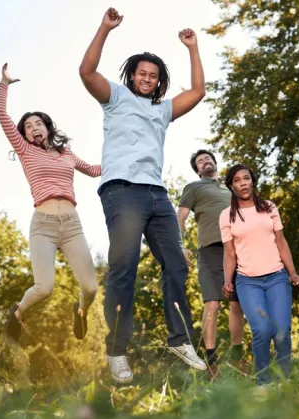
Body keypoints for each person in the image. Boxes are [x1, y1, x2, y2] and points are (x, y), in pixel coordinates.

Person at [79, 7, 207, 383]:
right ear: (132, 75)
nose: (148, 79)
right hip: (122, 191)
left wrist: (193, 48)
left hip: (157, 196)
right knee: (124, 268)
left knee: (177, 264)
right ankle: (117, 350)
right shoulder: (115, 98)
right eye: (142, 73)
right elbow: (86, 72)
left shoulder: (162, 111)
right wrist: (104, 27)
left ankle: (180, 338)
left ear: (158, 81)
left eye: (153, 76)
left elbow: (198, 91)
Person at [0, 63, 100, 343]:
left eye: (37, 123)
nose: (33, 129)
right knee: (44, 288)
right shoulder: (25, 150)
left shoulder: (67, 153)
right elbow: (0, 113)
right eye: (28, 127)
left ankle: (80, 312)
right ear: (25, 135)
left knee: (90, 287)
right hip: (43, 225)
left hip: (71, 225)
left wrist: (121, 163)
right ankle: (17, 313)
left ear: (47, 126)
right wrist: (4, 83)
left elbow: (92, 169)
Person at [220, 164, 299, 385]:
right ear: (231, 185)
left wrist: (292, 272)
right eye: (237, 180)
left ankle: (284, 381)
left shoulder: (268, 207)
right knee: (263, 330)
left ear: (252, 181)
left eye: (246, 178)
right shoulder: (226, 215)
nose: (243, 183)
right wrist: (228, 281)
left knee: (282, 331)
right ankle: (263, 383)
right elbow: (229, 253)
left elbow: (281, 242)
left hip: (276, 277)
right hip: (248, 282)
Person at [177, 150, 246, 377]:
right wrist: (180, 244)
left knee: (237, 304)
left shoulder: (231, 188)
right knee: (213, 304)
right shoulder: (195, 188)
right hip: (209, 251)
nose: (205, 161)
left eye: (207, 158)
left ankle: (238, 358)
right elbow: (181, 216)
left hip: (237, 250)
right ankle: (211, 362)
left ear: (215, 162)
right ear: (198, 170)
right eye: (199, 161)